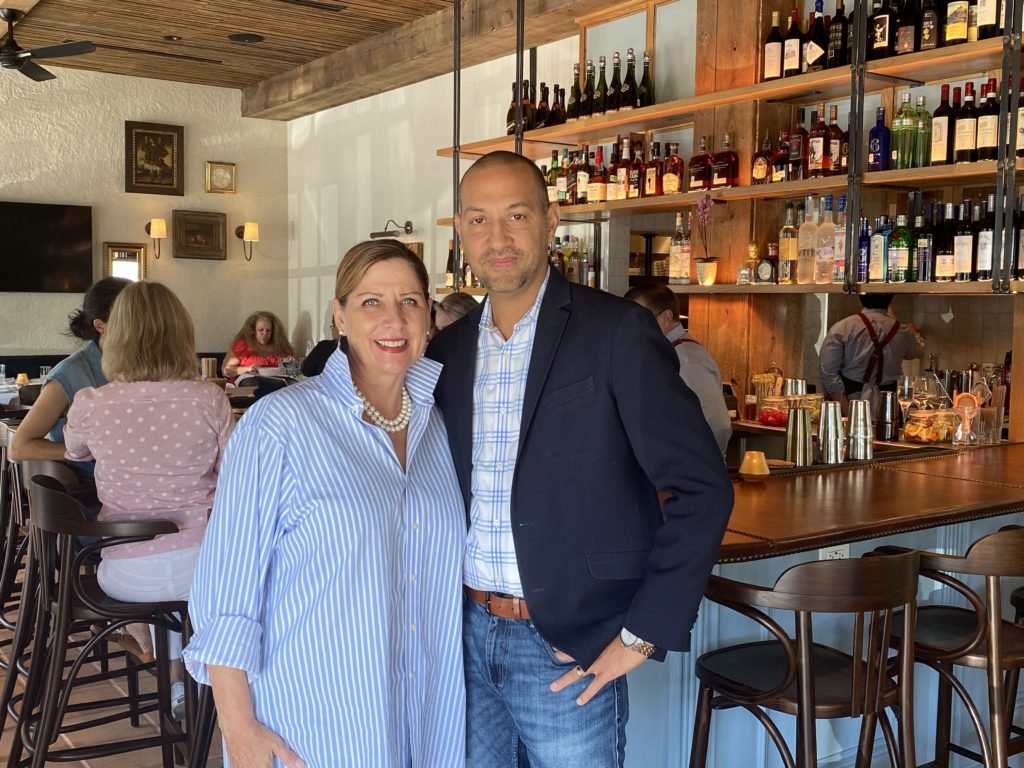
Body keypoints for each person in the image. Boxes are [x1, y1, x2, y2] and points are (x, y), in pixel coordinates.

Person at [427, 151, 733, 767]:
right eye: (479, 220)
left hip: (565, 643)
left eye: (516, 215)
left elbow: (703, 487)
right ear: (460, 231)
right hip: (460, 635)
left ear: (551, 219)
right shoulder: (448, 350)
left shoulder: (615, 331)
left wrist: (642, 634)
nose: (499, 237)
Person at [183, 240, 466, 767]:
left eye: (409, 302)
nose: (394, 319)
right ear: (339, 315)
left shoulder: (440, 427)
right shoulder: (280, 426)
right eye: (370, 302)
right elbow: (227, 594)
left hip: (425, 720)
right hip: (313, 725)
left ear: (429, 318)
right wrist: (239, 731)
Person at [62, 281, 234, 717]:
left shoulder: (91, 402)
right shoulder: (209, 399)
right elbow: (239, 475)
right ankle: (212, 683)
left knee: (169, 589)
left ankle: (176, 676)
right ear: (182, 334)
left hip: (124, 573)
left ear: (114, 337)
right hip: (204, 567)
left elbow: (74, 451)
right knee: (198, 586)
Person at [9, 277, 131, 482]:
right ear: (101, 325)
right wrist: (87, 451)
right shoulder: (70, 374)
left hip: (140, 485)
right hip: (90, 494)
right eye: (132, 316)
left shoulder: (146, 366)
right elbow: (19, 447)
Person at [624, 283, 732, 456]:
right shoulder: (662, 353)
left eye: (640, 319)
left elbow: (719, 425)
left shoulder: (688, 360)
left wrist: (699, 466)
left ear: (666, 317)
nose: (633, 328)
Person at [820, 294, 925, 411]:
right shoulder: (902, 330)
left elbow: (828, 374)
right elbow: (917, 351)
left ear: (860, 298)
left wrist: (847, 411)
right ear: (890, 300)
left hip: (849, 402)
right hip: (889, 405)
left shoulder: (841, 328)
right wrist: (916, 334)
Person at [222, 310, 294, 380]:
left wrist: (291, 365)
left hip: (275, 387)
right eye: (260, 330)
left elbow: (290, 372)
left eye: (268, 330)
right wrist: (248, 369)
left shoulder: (282, 346)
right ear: (253, 331)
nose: (265, 333)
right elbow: (225, 371)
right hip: (246, 387)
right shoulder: (242, 346)